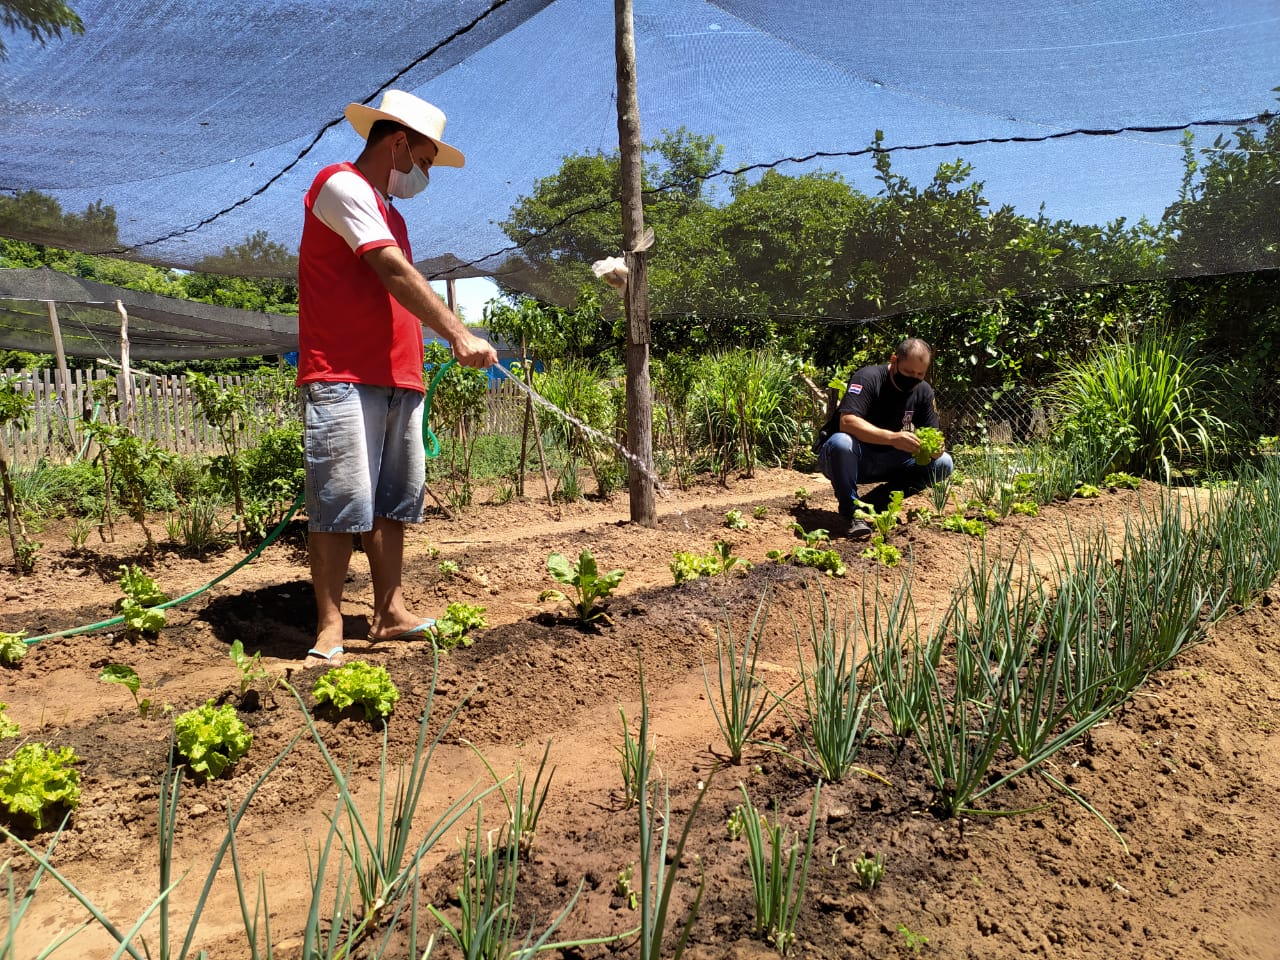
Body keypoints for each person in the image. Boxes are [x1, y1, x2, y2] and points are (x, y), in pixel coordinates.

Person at [296, 89, 497, 665]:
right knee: (339, 498)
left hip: (399, 375)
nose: (425, 174)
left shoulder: (393, 214)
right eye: (426, 161)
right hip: (342, 370)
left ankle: (388, 612)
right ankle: (330, 625)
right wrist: (458, 334)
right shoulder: (339, 185)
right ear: (399, 143)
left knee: (393, 500)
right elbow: (386, 267)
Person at [815, 337, 955, 538]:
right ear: (894, 360)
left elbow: (933, 435)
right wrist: (893, 438)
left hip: (891, 460)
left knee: (944, 463)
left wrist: (935, 449)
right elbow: (847, 422)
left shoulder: (923, 391)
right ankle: (851, 512)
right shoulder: (868, 378)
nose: (914, 378)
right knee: (841, 442)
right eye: (908, 372)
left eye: (920, 374)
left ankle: (876, 502)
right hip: (851, 458)